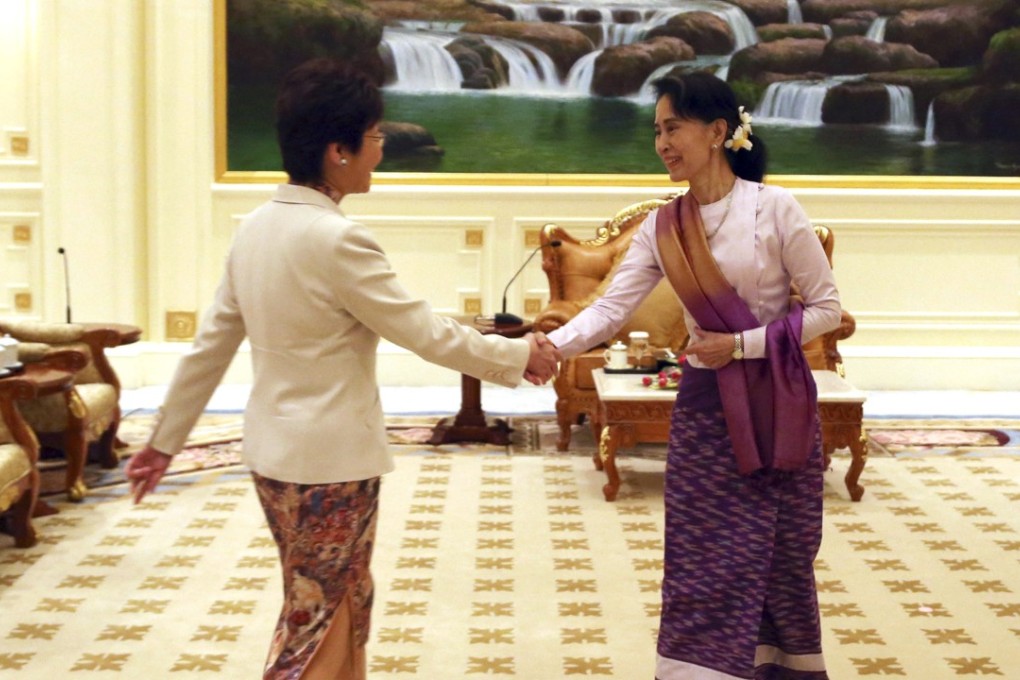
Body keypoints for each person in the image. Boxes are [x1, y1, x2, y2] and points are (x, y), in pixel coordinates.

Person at [124, 57, 560, 680]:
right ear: (338, 150)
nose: (380, 150)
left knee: (345, 599)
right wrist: (519, 354)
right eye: (375, 136)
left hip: (275, 457)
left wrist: (165, 441)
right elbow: (422, 332)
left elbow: (209, 348)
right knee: (317, 619)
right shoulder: (336, 240)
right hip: (329, 465)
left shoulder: (255, 229)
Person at [545, 72, 841, 679]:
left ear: (716, 132)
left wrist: (742, 345)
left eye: (673, 128)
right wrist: (545, 348)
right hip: (707, 411)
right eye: (657, 131)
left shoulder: (775, 208)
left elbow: (827, 309)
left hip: (777, 405)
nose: (662, 143)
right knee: (702, 556)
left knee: (780, 556)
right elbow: (609, 310)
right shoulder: (663, 226)